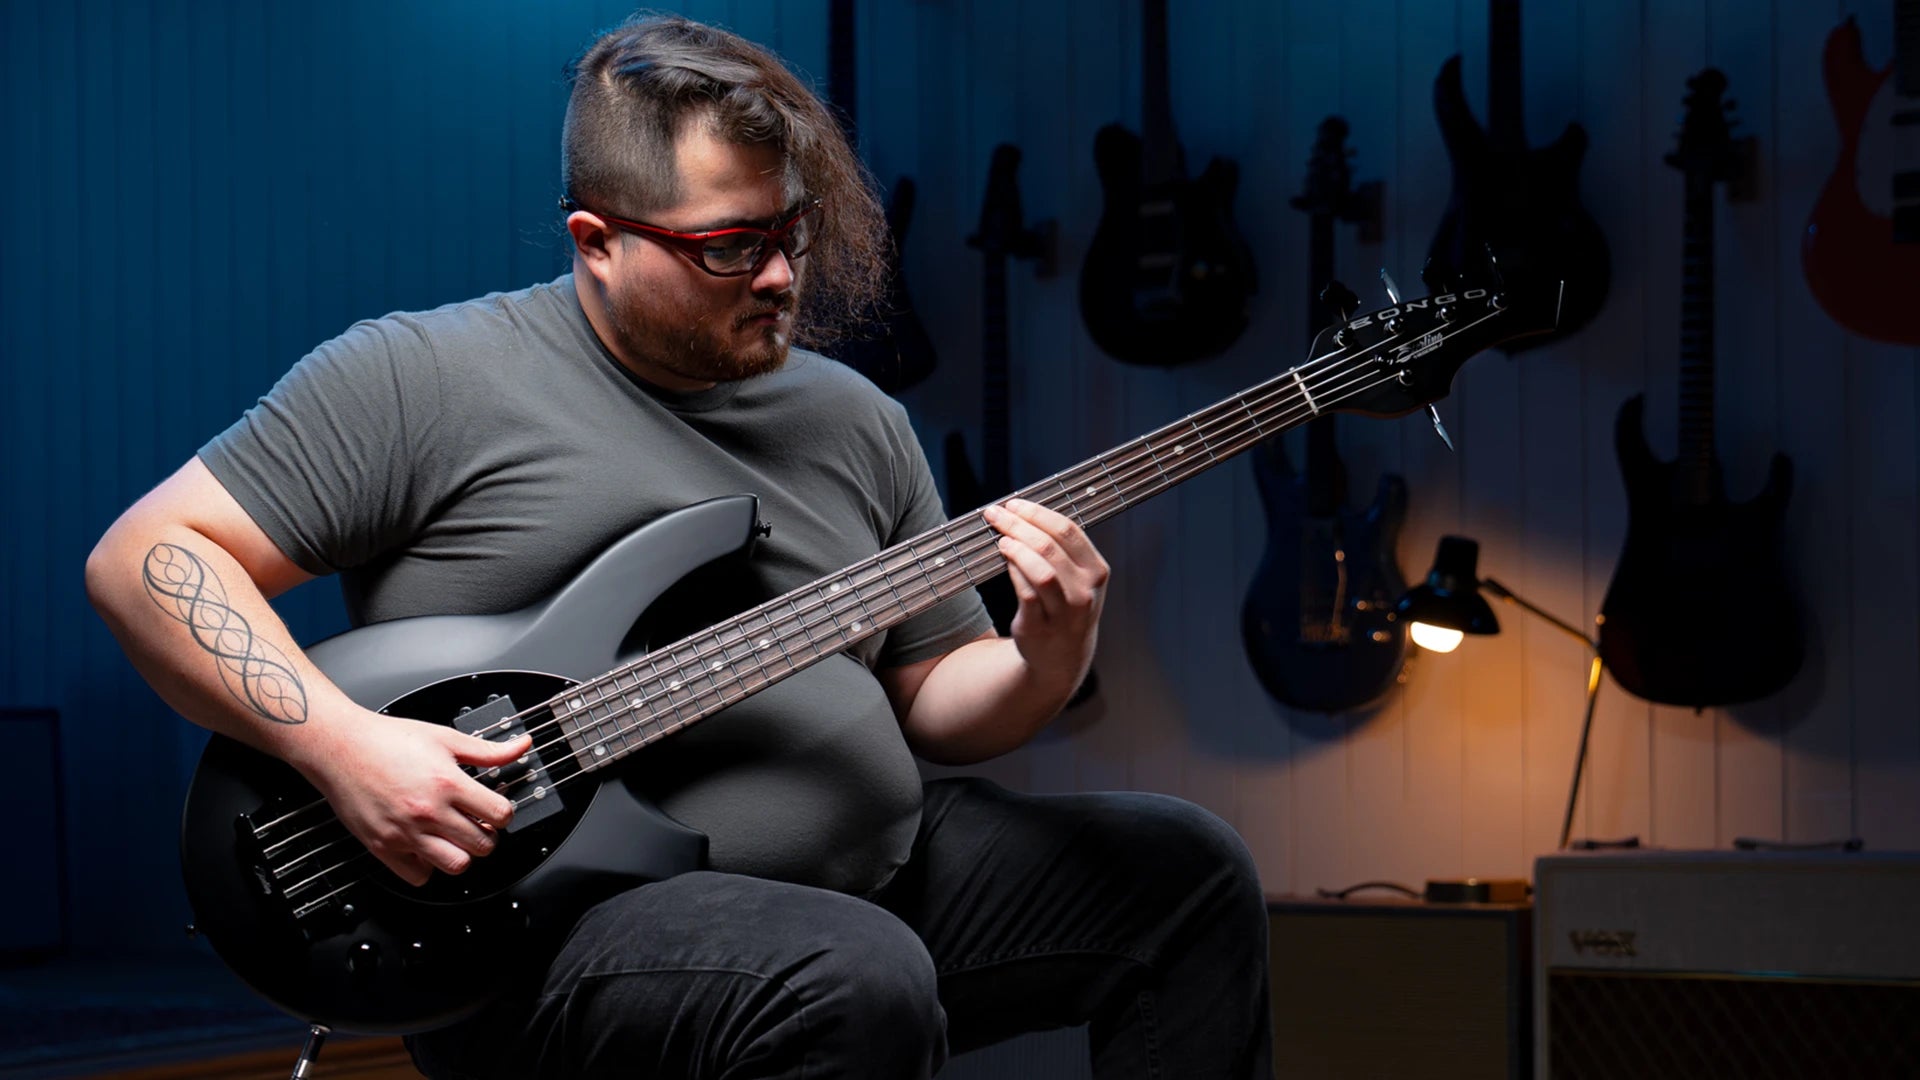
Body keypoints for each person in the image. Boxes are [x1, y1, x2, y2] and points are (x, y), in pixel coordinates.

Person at [86, 15, 1273, 1079]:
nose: (780, 276)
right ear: (597, 239)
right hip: (548, 935)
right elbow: (145, 559)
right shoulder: (418, 379)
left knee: (1182, 871)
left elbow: (935, 699)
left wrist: (1046, 656)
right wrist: (345, 748)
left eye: (794, 229)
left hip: (875, 887)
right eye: (729, 245)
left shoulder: (854, 418)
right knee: (850, 977)